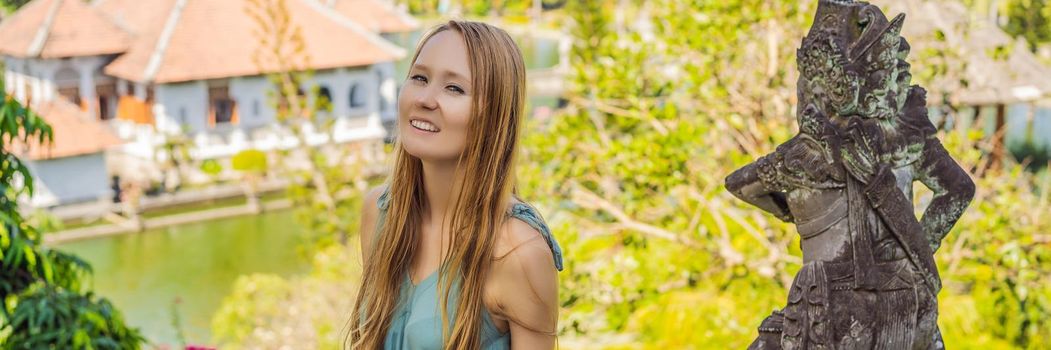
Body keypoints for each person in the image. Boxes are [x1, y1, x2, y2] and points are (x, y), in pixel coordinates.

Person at [346, 20, 564, 350]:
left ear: (493, 116)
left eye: (454, 89)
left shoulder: (518, 252)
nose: (425, 99)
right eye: (419, 78)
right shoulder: (380, 214)